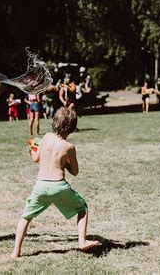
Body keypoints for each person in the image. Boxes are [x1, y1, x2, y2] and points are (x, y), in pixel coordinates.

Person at [11, 107, 99, 258]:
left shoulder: (46, 137)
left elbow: (36, 158)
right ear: (72, 127)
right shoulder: (69, 147)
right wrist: (63, 162)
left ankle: (16, 252)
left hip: (41, 186)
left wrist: (32, 150)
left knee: (26, 216)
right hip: (59, 186)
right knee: (82, 208)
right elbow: (75, 171)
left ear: (55, 122)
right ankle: (82, 241)